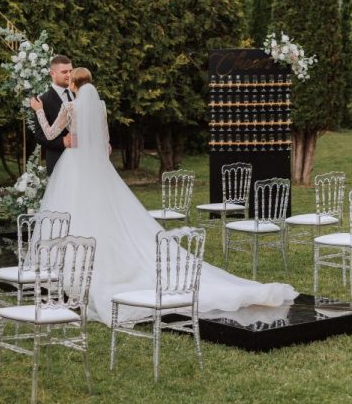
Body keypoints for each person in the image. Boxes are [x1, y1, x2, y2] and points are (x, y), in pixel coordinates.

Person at [31, 67, 297, 326]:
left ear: (74, 85)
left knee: (72, 213)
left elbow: (51, 133)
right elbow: (106, 142)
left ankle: (68, 271)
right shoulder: (100, 107)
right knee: (108, 215)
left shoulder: (69, 108)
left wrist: (39, 111)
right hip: (98, 168)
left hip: (74, 166)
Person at [32, 54, 75, 175]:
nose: (69, 75)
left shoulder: (79, 93)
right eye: (64, 72)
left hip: (82, 159)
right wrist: (63, 142)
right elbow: (39, 135)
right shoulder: (42, 101)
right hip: (58, 160)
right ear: (52, 73)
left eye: (71, 71)